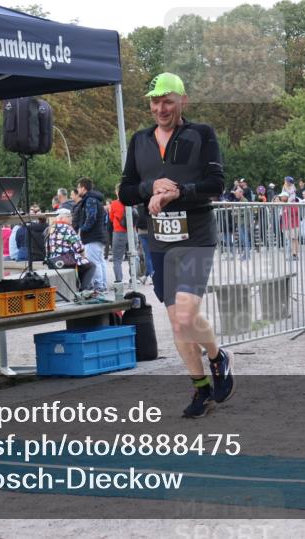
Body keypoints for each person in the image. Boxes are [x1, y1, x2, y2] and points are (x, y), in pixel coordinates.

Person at [118, 72, 233, 419]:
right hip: (159, 242)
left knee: (186, 315)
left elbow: (216, 183)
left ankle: (216, 356)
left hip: (196, 236)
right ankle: (201, 390)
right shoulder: (139, 140)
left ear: (183, 101)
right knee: (177, 323)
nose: (160, 108)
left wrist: (179, 191)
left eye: (168, 100)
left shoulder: (202, 134)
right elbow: (125, 190)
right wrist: (150, 187)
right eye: (155, 101)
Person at [45, 208, 96, 292]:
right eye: (68, 216)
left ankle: (80, 287)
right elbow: (79, 247)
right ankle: (84, 289)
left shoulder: (50, 228)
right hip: (66, 260)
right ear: (61, 218)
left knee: (82, 264)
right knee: (90, 266)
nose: (71, 218)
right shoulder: (68, 229)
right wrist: (83, 255)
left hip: (52, 261)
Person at [109, 184, 128, 282]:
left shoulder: (114, 204)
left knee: (117, 259)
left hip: (119, 232)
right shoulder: (131, 202)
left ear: (117, 192)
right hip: (132, 232)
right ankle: (135, 278)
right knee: (134, 256)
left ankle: (119, 281)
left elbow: (111, 218)